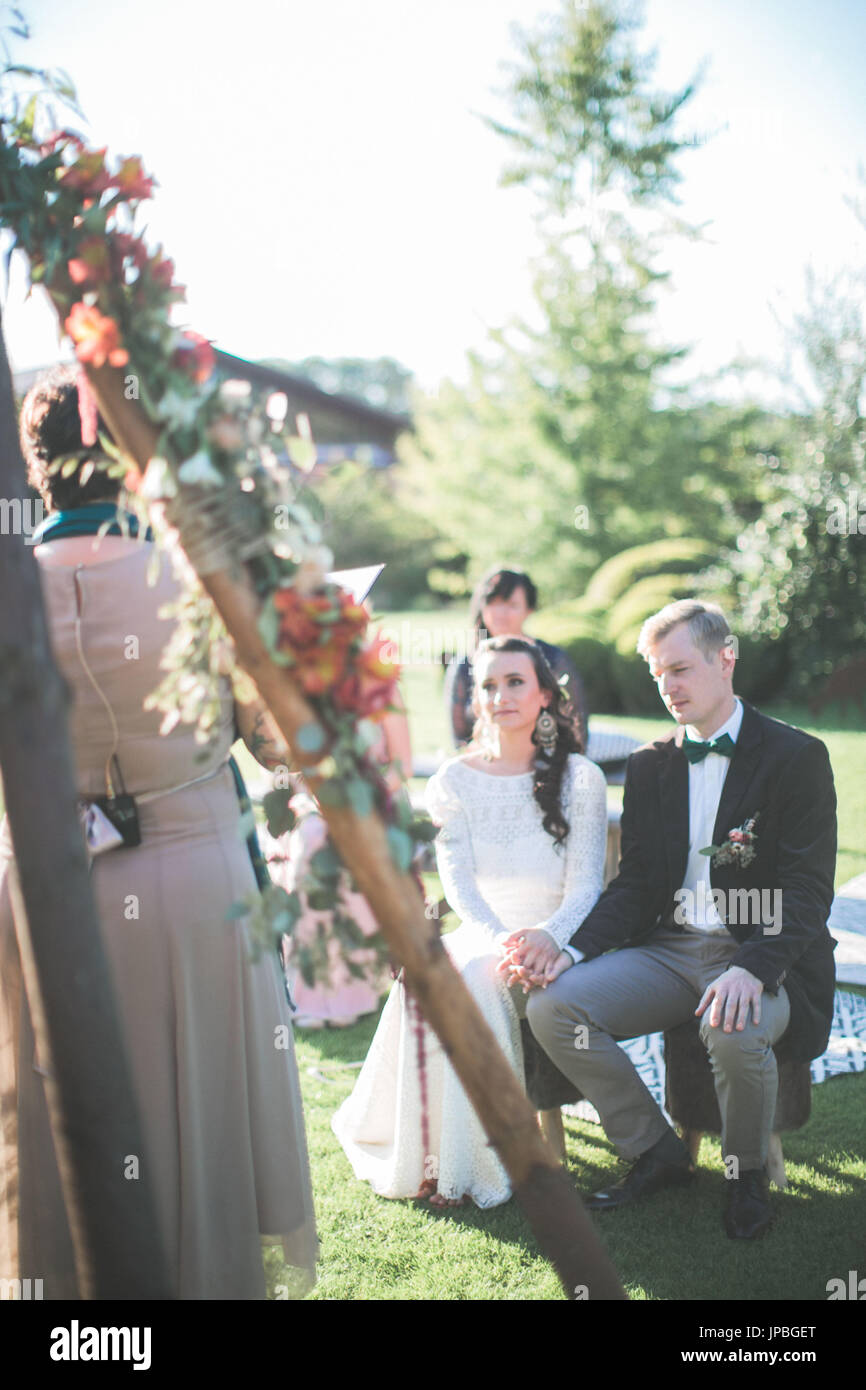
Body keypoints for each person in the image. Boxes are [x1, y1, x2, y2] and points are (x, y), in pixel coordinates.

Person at [0, 367, 317, 1298]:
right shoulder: (200, 581)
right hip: (195, 886)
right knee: (196, 1114)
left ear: (36, 465)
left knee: (66, 1122)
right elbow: (278, 742)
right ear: (135, 456)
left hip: (45, 897)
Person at [510, 600, 837, 1239]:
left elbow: (806, 892)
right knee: (554, 1008)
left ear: (727, 658)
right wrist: (569, 950)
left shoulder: (797, 756)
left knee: (736, 1028)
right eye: (659, 674)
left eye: (681, 669)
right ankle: (655, 1151)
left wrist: (751, 968)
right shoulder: (650, 764)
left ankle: (744, 1179)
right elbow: (634, 886)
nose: (668, 687)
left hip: (765, 950)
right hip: (669, 949)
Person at [332, 635, 607, 1208]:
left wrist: (549, 937)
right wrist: (502, 938)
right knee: (437, 976)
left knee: (476, 983)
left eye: (514, 682)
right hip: (485, 932)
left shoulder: (581, 778)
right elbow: (457, 887)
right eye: (487, 685)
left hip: (559, 936)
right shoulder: (453, 781)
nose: (500, 695)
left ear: (544, 697)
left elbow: (587, 885)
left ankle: (487, 1163)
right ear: (475, 699)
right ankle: (437, 1162)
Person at [264, 699, 412, 1028]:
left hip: (372, 806)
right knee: (314, 837)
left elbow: (402, 768)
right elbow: (291, 767)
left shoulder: (384, 692)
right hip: (315, 807)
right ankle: (308, 989)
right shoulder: (305, 689)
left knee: (344, 845)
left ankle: (352, 991)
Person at [444, 566, 588, 748]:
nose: (501, 613)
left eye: (511, 605)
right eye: (493, 603)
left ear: (529, 610)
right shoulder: (464, 665)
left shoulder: (553, 659)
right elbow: (459, 740)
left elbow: (578, 730)